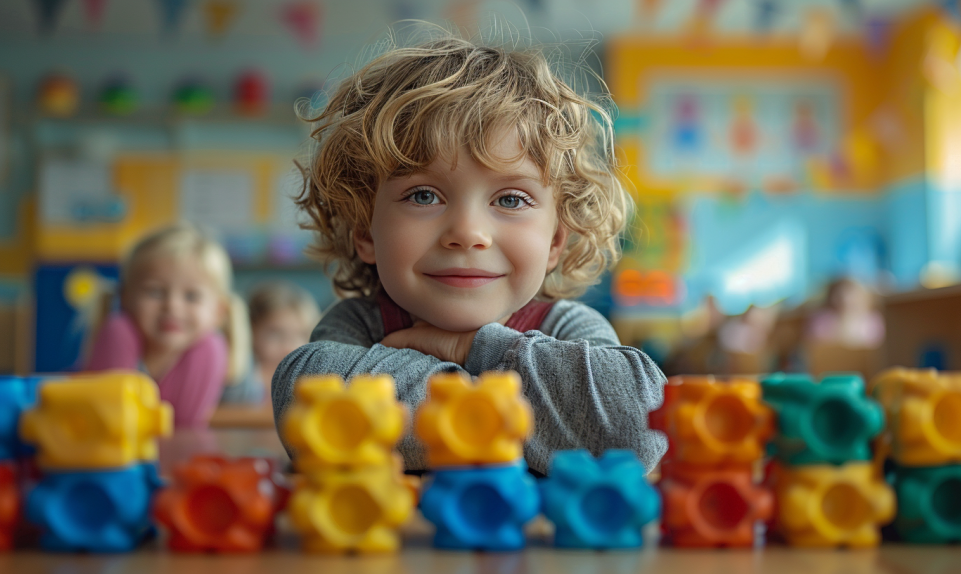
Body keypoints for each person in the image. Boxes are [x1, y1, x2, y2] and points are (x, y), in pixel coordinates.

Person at [273, 32, 668, 474]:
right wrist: (529, 412)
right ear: (365, 230)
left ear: (556, 240)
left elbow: (637, 427)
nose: (468, 233)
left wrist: (470, 347)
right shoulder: (360, 325)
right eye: (423, 195)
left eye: (511, 199)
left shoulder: (568, 327)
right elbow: (306, 407)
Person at [84, 223, 250, 428]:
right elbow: (111, 422)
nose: (172, 306)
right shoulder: (118, 333)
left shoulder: (210, 349)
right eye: (154, 292)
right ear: (125, 298)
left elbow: (182, 429)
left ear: (219, 311)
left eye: (192, 296)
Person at [220, 281, 320, 405]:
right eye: (275, 334)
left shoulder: (312, 373)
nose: (288, 348)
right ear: (250, 330)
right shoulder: (238, 368)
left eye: (300, 335)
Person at [806, 277, 885, 349]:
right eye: (840, 296)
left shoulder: (871, 319)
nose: (846, 300)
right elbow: (817, 346)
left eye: (851, 296)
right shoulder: (821, 319)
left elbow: (874, 347)